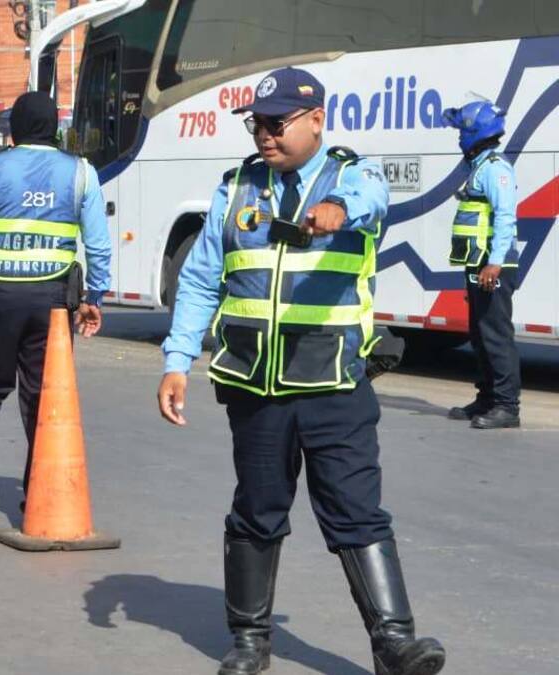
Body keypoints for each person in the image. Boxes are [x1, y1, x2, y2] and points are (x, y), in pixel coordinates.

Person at [156, 67, 446, 675]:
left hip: (333, 381)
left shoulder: (352, 177)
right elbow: (203, 277)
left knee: (357, 511)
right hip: (253, 386)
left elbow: (373, 199)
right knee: (257, 509)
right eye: (257, 123)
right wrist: (177, 360)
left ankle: (395, 642)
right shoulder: (236, 189)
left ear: (317, 120)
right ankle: (249, 641)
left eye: (277, 123)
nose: (264, 134)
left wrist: (335, 209)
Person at [0, 92, 111, 528]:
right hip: (53, 302)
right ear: (56, 129)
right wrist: (95, 296)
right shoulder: (81, 173)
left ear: (13, 130)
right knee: (44, 397)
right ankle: (39, 493)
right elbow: (98, 244)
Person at [441, 100, 521, 429]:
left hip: (493, 266)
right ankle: (487, 398)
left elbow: (505, 218)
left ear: (476, 132)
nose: (459, 136)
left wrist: (495, 263)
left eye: (462, 130)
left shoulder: (496, 169)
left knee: (496, 335)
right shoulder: (480, 165)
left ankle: (507, 406)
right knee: (480, 333)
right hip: (479, 264)